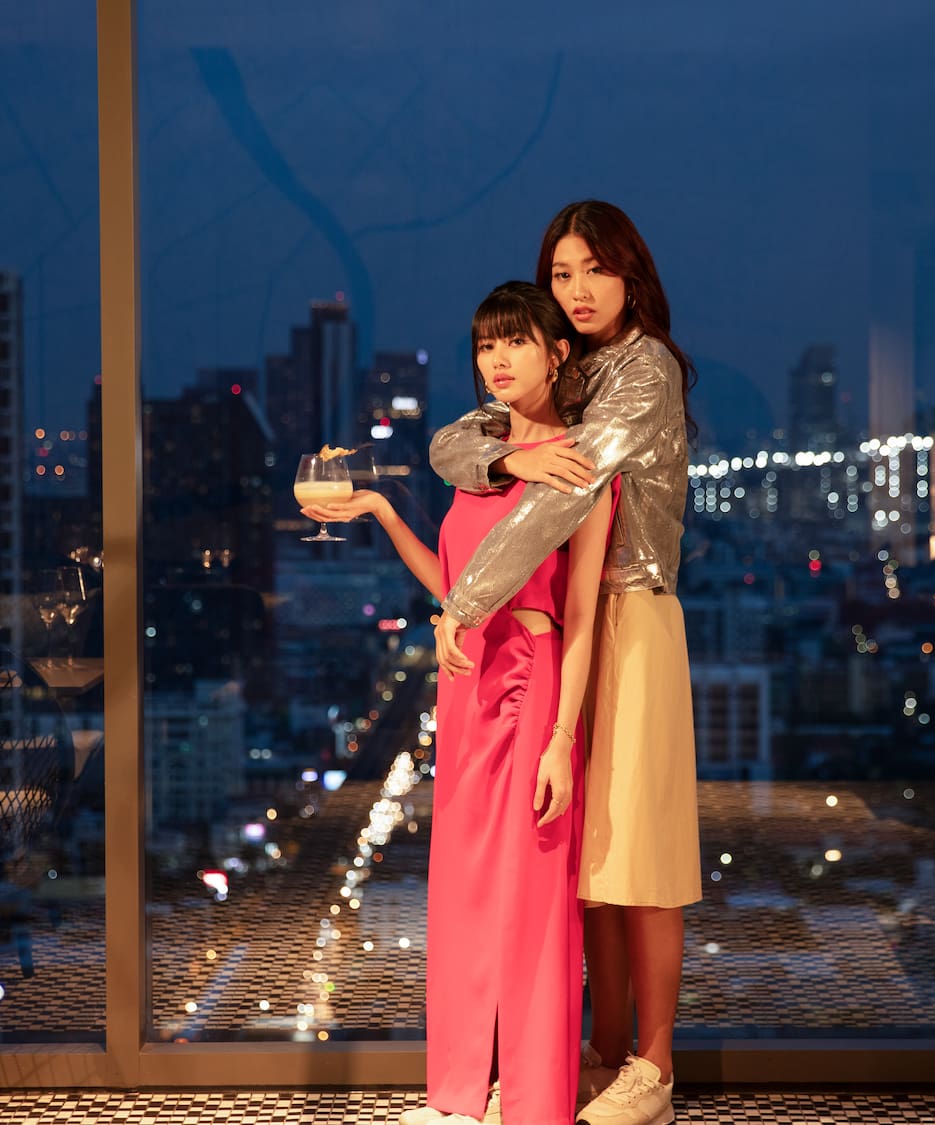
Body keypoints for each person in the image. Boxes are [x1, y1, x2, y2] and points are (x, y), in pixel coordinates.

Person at [304, 283, 614, 1125]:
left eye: (515, 343)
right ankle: (456, 1097)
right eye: (484, 346)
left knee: (537, 900)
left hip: (533, 675)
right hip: (468, 683)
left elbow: (581, 615)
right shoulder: (479, 462)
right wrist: (376, 509)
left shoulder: (583, 466)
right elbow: (454, 585)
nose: (497, 361)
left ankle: (536, 1099)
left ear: (558, 353)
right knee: (464, 891)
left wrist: (561, 738)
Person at [430, 200, 700, 1125]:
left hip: (633, 613)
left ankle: (654, 1069)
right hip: (561, 627)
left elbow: (567, 496)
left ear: (632, 275)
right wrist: (505, 466)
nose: (577, 290)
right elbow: (456, 442)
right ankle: (598, 1048)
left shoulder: (645, 372)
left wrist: (463, 602)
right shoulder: (566, 366)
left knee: (641, 857)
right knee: (579, 858)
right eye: (561, 274)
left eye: (593, 270)